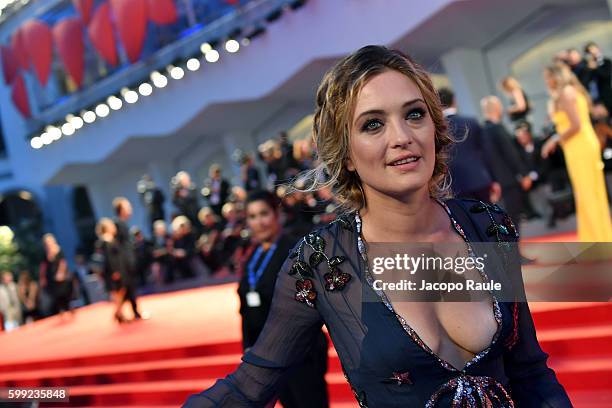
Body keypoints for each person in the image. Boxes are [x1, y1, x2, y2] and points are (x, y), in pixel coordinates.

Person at [183, 45, 571, 407]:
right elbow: (251, 385)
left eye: (414, 114)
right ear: (346, 153)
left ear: (434, 127)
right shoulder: (322, 261)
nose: (402, 138)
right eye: (373, 124)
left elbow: (530, 371)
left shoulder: (486, 225)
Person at [237, 190, 329, 408]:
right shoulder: (252, 256)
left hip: (300, 355)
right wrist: (248, 348)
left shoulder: (295, 250)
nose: (258, 222)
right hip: (268, 359)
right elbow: (246, 309)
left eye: (263, 214)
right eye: (252, 217)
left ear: (276, 214)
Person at [541, 62, 612, 241]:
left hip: (579, 147)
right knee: (591, 192)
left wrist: (554, 139)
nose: (546, 82)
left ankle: (598, 239)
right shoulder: (572, 91)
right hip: (581, 145)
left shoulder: (566, 93)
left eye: (547, 78)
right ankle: (600, 236)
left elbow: (575, 125)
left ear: (554, 77)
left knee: (588, 193)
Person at [480, 96, 532, 234]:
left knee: (502, 221)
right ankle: (514, 254)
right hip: (509, 182)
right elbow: (511, 154)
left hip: (493, 183)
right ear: (497, 108)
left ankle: (509, 253)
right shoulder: (498, 129)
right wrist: (524, 174)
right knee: (513, 220)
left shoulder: (482, 130)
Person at [437, 87, 499, 202]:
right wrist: (494, 179)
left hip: (455, 185)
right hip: (480, 179)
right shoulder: (471, 122)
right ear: (454, 100)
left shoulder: (437, 129)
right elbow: (487, 153)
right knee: (489, 216)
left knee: (467, 219)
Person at [112, 197, 144, 319]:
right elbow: (120, 247)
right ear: (121, 209)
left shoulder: (122, 224)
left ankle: (123, 313)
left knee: (129, 289)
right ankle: (122, 312)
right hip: (124, 264)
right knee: (127, 288)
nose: (130, 210)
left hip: (127, 262)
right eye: (128, 207)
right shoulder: (118, 224)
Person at [39, 233, 72, 318]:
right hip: (51, 277)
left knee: (64, 293)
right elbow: (43, 266)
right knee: (56, 295)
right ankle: (61, 311)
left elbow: (63, 263)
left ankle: (68, 309)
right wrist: (42, 278)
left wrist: (60, 273)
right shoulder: (45, 253)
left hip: (61, 277)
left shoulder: (58, 250)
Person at [584, 42, 612, 114]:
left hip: (608, 95)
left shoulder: (606, 61)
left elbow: (606, 75)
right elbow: (585, 82)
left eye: (593, 49)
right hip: (597, 100)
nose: (593, 53)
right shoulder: (588, 67)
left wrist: (596, 68)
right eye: (589, 52)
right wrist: (589, 69)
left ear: (598, 49)